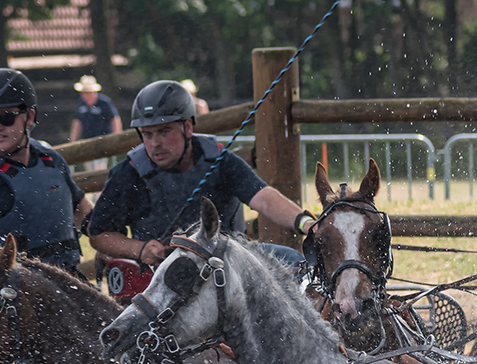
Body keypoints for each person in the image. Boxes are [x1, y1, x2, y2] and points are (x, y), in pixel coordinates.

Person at [87, 79, 312, 275]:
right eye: (148, 134)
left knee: (293, 261)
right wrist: (139, 249)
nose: (155, 143)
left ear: (187, 127)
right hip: (163, 275)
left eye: (164, 132)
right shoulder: (128, 173)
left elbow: (263, 198)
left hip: (230, 264)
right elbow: (99, 235)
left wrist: (306, 223)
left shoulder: (220, 161)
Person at [0, 68, 92, 281]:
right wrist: (14, 280)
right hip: (11, 301)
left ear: (29, 116)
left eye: (6, 117)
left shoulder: (51, 160)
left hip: (70, 288)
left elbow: (84, 214)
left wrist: (112, 245)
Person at [69, 74, 122, 173]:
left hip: (102, 140)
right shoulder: (81, 103)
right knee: (89, 170)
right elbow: (77, 122)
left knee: (99, 168)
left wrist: (116, 137)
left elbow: (115, 119)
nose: (83, 95)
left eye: (85, 92)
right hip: (86, 140)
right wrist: (73, 140)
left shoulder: (104, 102)